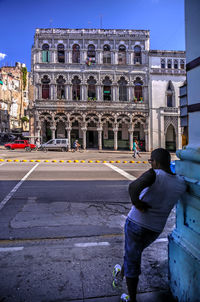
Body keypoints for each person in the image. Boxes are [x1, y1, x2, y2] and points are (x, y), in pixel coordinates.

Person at [113, 148, 186, 302]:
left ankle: (131, 298)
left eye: (151, 161)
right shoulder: (181, 183)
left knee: (133, 257)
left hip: (136, 224)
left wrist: (138, 204)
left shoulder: (154, 174)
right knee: (134, 251)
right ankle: (120, 275)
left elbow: (133, 187)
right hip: (154, 230)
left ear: (157, 162)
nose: (150, 164)